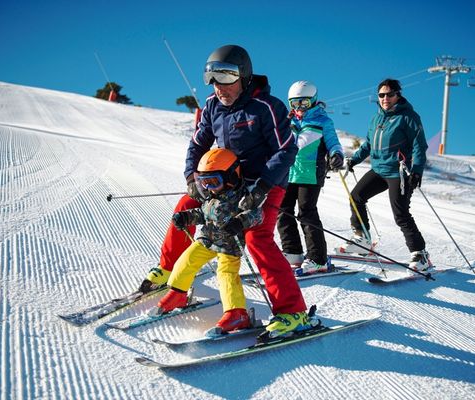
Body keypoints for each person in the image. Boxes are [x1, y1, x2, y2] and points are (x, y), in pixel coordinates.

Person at [140, 44, 311, 337]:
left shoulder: (267, 107)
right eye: (214, 80)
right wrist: (192, 178)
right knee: (184, 206)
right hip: (225, 180)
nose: (220, 88)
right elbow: (197, 144)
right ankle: (169, 272)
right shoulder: (212, 106)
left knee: (256, 237)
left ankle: (292, 311)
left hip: (265, 183)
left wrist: (263, 187)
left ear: (243, 76)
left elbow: (285, 150)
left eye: (227, 78)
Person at [156, 148, 262, 333]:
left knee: (226, 275)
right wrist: (186, 218)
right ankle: (178, 293)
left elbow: (257, 214)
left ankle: (237, 313)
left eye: (214, 182)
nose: (208, 188)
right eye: (204, 183)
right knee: (186, 261)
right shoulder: (211, 196)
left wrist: (240, 221)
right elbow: (202, 214)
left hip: (230, 245)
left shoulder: (243, 197)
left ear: (231, 176)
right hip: (207, 239)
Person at [341, 78, 430, 271]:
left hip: (398, 172)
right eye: (381, 95)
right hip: (379, 169)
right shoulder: (376, 118)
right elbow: (368, 144)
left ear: (398, 95)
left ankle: (420, 254)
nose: (385, 98)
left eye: (389, 94)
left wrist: (416, 171)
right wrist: (354, 160)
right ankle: (362, 238)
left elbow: (419, 146)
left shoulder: (409, 117)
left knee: (401, 214)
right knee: (356, 197)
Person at [277, 80, 345, 275]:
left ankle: (318, 259)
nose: (298, 108)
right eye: (294, 103)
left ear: (313, 101)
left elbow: (334, 143)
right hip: (288, 172)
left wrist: (336, 155)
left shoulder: (323, 121)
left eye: (303, 103)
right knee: (283, 211)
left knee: (306, 212)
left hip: (311, 174)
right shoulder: (288, 121)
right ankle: (292, 252)